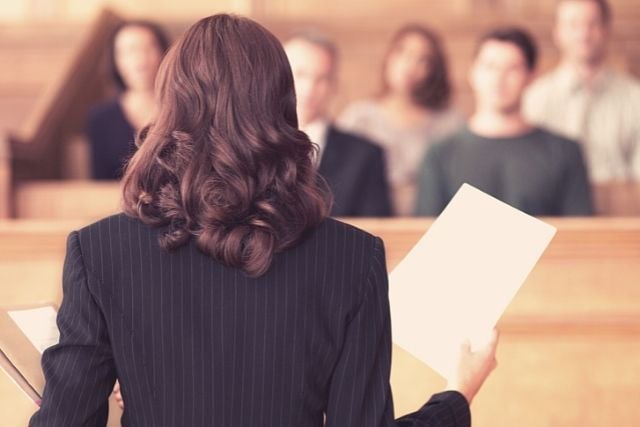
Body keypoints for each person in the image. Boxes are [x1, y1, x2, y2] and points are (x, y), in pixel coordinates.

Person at [30, 14, 498, 426]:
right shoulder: (354, 258)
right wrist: (458, 395)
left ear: (170, 105)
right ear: (282, 104)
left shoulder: (99, 251)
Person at [415, 27, 593, 217]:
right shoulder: (440, 153)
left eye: (512, 69)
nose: (499, 78)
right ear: (472, 73)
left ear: (531, 77)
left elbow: (580, 235)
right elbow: (423, 233)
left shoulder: (564, 152)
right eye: (490, 67)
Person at [338, 24, 463, 216]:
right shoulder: (359, 117)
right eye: (402, 52)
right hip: (369, 221)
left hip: (430, 221)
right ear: (388, 57)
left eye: (423, 60)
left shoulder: (449, 122)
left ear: (434, 71)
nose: (409, 66)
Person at [524, 0, 640, 182]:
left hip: (622, 205)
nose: (583, 34)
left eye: (592, 24)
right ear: (557, 32)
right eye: (573, 25)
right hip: (553, 208)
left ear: (606, 30)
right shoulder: (534, 99)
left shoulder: (635, 98)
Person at [283, 31, 392, 217]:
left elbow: (377, 229)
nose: (310, 88)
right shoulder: (255, 146)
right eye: (300, 74)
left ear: (334, 85)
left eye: (322, 78)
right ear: (281, 78)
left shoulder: (366, 155)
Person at [87, 20, 170, 180]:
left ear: (164, 53)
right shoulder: (100, 118)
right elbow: (98, 182)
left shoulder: (181, 110)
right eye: (130, 51)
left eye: (149, 48)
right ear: (116, 60)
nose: (141, 60)